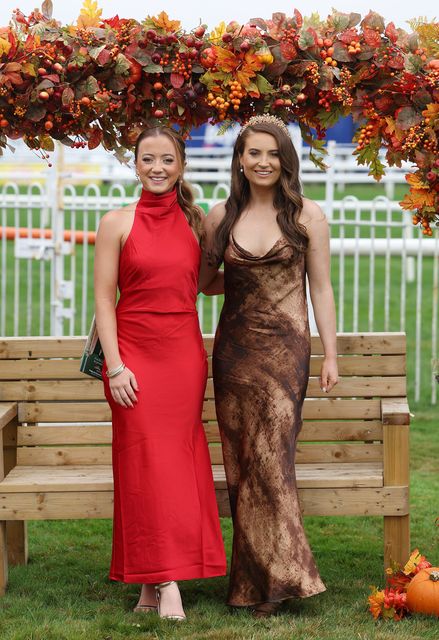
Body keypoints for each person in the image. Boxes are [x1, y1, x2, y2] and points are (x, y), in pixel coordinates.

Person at [201, 114, 339, 616]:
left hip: (286, 355)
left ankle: (282, 580)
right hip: (235, 355)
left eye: (272, 153)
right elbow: (202, 280)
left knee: (272, 461)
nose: (263, 162)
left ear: (286, 159)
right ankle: (252, 583)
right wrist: (241, 281)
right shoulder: (219, 218)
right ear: (240, 159)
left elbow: (319, 287)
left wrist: (331, 353)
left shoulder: (307, 216)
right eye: (253, 153)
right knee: (242, 466)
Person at [94, 126, 227, 621]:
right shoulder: (115, 223)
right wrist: (116, 366)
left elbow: (206, 283)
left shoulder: (197, 223)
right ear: (135, 164)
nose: (157, 168)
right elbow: (105, 300)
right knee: (142, 465)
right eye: (147, 159)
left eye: (166, 159)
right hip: (133, 358)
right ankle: (167, 580)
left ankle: (150, 587)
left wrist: (257, 265)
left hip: (183, 357)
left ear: (181, 165)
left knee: (172, 465)